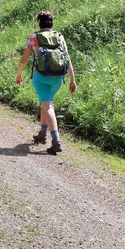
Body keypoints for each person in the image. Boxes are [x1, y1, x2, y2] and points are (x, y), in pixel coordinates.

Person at [14, 10, 76, 154]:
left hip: (41, 78)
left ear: (39, 22)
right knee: (45, 103)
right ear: (51, 23)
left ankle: (56, 140)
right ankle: (42, 134)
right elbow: (67, 58)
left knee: (48, 107)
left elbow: (24, 59)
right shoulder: (59, 36)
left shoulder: (34, 37)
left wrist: (18, 74)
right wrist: (72, 79)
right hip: (58, 78)